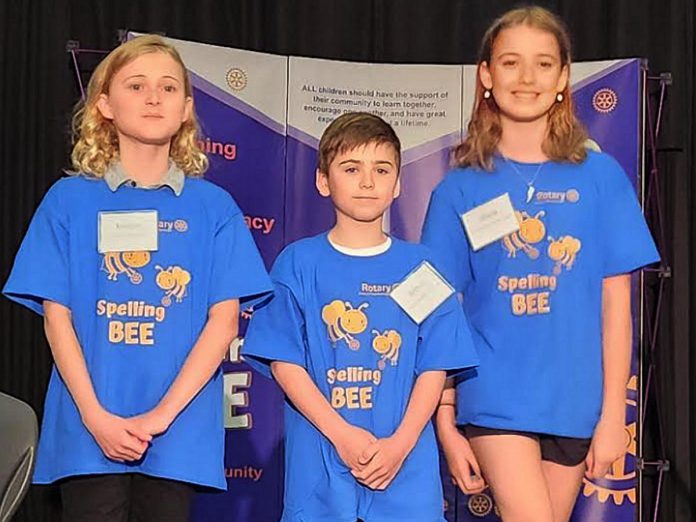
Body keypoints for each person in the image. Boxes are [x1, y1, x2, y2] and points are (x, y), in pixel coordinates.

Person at [3, 34, 272, 522]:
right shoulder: (68, 201)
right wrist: (94, 416)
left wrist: (160, 418)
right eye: (137, 85)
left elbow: (223, 322)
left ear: (187, 108)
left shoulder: (214, 209)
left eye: (168, 88)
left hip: (178, 432)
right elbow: (55, 318)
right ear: (104, 103)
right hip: (89, 429)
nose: (153, 98)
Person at [421, 7, 659, 522]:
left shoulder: (601, 176)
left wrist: (615, 411)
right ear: (486, 75)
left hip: (575, 401)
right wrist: (445, 419)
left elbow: (616, 302)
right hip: (494, 395)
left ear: (563, 77)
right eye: (510, 63)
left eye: (543, 64)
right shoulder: (458, 188)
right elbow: (439, 312)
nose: (526, 79)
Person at [242, 112, 478, 522]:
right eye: (351, 168)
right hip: (320, 472)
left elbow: (436, 365)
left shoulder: (422, 267)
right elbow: (284, 362)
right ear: (323, 180)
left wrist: (400, 445)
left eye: (381, 169)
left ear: (398, 183)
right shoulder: (297, 263)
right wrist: (342, 435)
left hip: (406, 476)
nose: (368, 181)